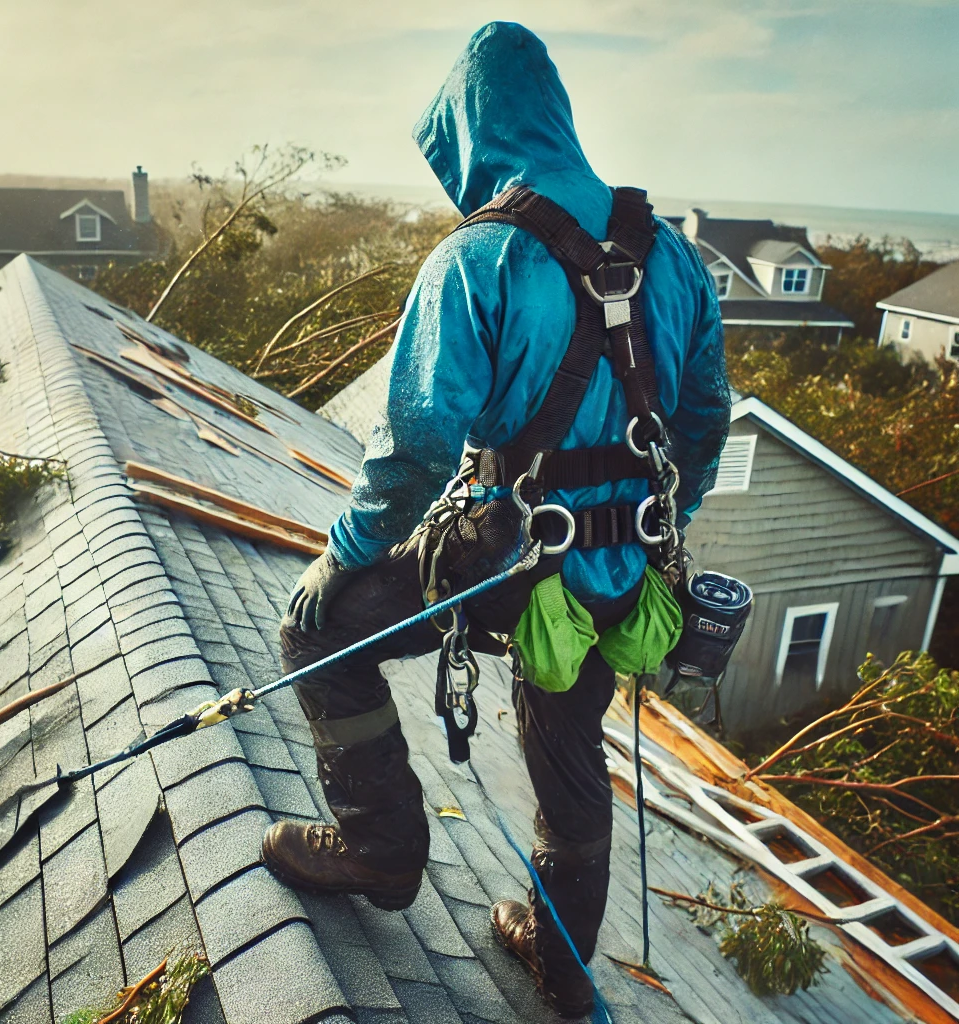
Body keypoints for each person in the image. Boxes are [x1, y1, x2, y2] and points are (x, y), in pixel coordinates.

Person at [262, 21, 729, 1019]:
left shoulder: (478, 255)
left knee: (316, 629)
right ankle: (561, 969)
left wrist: (340, 553)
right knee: (568, 752)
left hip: (496, 559)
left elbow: (416, 446)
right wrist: (656, 524)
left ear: (473, 133)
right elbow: (702, 421)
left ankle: (381, 846)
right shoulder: (677, 261)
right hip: (614, 575)